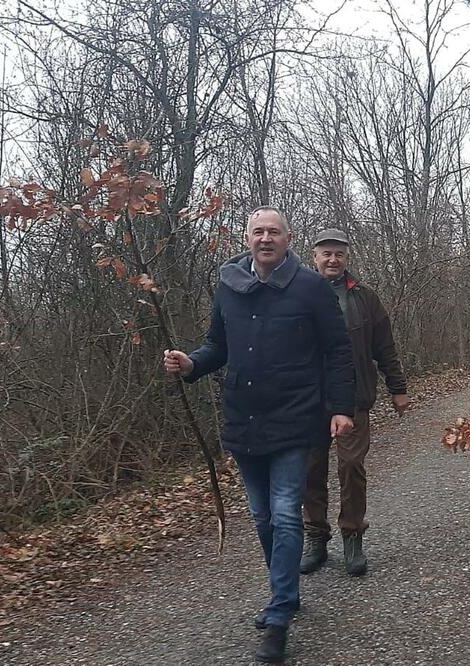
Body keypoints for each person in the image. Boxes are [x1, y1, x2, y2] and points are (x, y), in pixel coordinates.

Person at [162, 207, 355, 664]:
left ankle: (279, 613)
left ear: (288, 239)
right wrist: (191, 364)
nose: (265, 239)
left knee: (286, 513)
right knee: (262, 515)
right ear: (247, 238)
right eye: (258, 232)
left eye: (274, 232)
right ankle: (284, 590)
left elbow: (337, 350)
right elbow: (217, 345)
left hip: (296, 417)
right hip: (243, 418)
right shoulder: (229, 285)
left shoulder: (310, 287)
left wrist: (341, 408)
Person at [302, 229, 409, 577]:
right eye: (326, 254)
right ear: (315, 257)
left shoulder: (364, 298)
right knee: (310, 471)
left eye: (339, 254)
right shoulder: (298, 294)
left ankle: (352, 536)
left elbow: (385, 348)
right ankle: (316, 537)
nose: (333, 260)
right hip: (307, 400)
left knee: (351, 467)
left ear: (347, 258)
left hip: (353, 398)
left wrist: (398, 388)